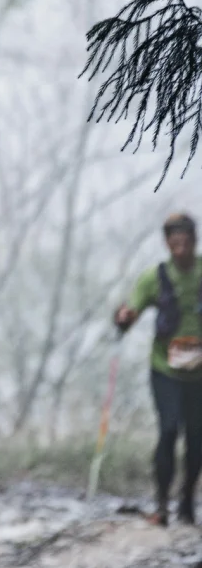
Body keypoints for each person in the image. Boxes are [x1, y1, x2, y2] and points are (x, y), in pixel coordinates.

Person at [115, 213, 202, 525]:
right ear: (167, 244)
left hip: (199, 376)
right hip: (165, 368)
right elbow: (132, 311)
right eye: (173, 243)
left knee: (197, 440)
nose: (179, 249)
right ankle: (162, 503)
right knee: (168, 429)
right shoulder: (154, 277)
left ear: (195, 240)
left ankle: (187, 501)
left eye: (185, 242)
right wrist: (124, 318)